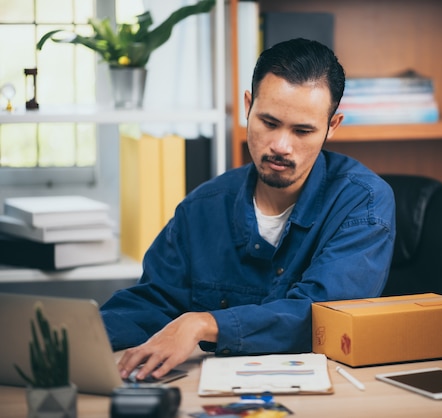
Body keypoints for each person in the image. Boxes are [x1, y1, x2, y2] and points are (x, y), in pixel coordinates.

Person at [100, 38, 396, 381]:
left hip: (331, 396)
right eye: (269, 123)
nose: (281, 146)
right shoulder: (201, 208)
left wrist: (203, 323)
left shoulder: (364, 203)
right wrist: (79, 334)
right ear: (247, 107)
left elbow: (322, 315)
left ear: (332, 126)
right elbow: (154, 301)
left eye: (302, 130)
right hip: (213, 394)